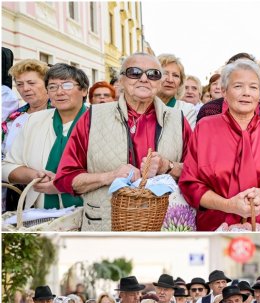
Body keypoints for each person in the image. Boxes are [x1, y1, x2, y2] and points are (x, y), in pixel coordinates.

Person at [53, 52, 192, 231]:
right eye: (134, 72)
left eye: (153, 74)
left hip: (162, 225)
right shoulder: (93, 116)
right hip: (104, 224)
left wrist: (168, 166)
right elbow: (66, 178)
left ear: (159, 81)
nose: (144, 78)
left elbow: (197, 174)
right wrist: (109, 177)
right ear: (121, 80)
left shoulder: (178, 119)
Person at [180, 59, 260, 231]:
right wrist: (229, 205)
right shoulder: (205, 128)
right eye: (238, 86)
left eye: (253, 87)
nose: (246, 93)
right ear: (224, 91)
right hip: (215, 226)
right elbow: (190, 184)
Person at [3, 63, 88, 209]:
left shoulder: (100, 121)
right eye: (52, 87)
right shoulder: (32, 121)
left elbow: (111, 173)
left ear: (84, 90)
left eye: (67, 85)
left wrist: (66, 183)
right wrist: (34, 175)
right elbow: (6, 167)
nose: (59, 92)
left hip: (92, 213)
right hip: (41, 214)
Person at [3, 59, 50, 162]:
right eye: (19, 84)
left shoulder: (62, 114)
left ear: (47, 84)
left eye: (31, 83)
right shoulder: (13, 118)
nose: (25, 89)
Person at [156, 54, 198, 128]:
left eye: (175, 75)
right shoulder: (141, 106)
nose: (170, 80)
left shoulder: (187, 109)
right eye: (164, 73)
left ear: (180, 83)